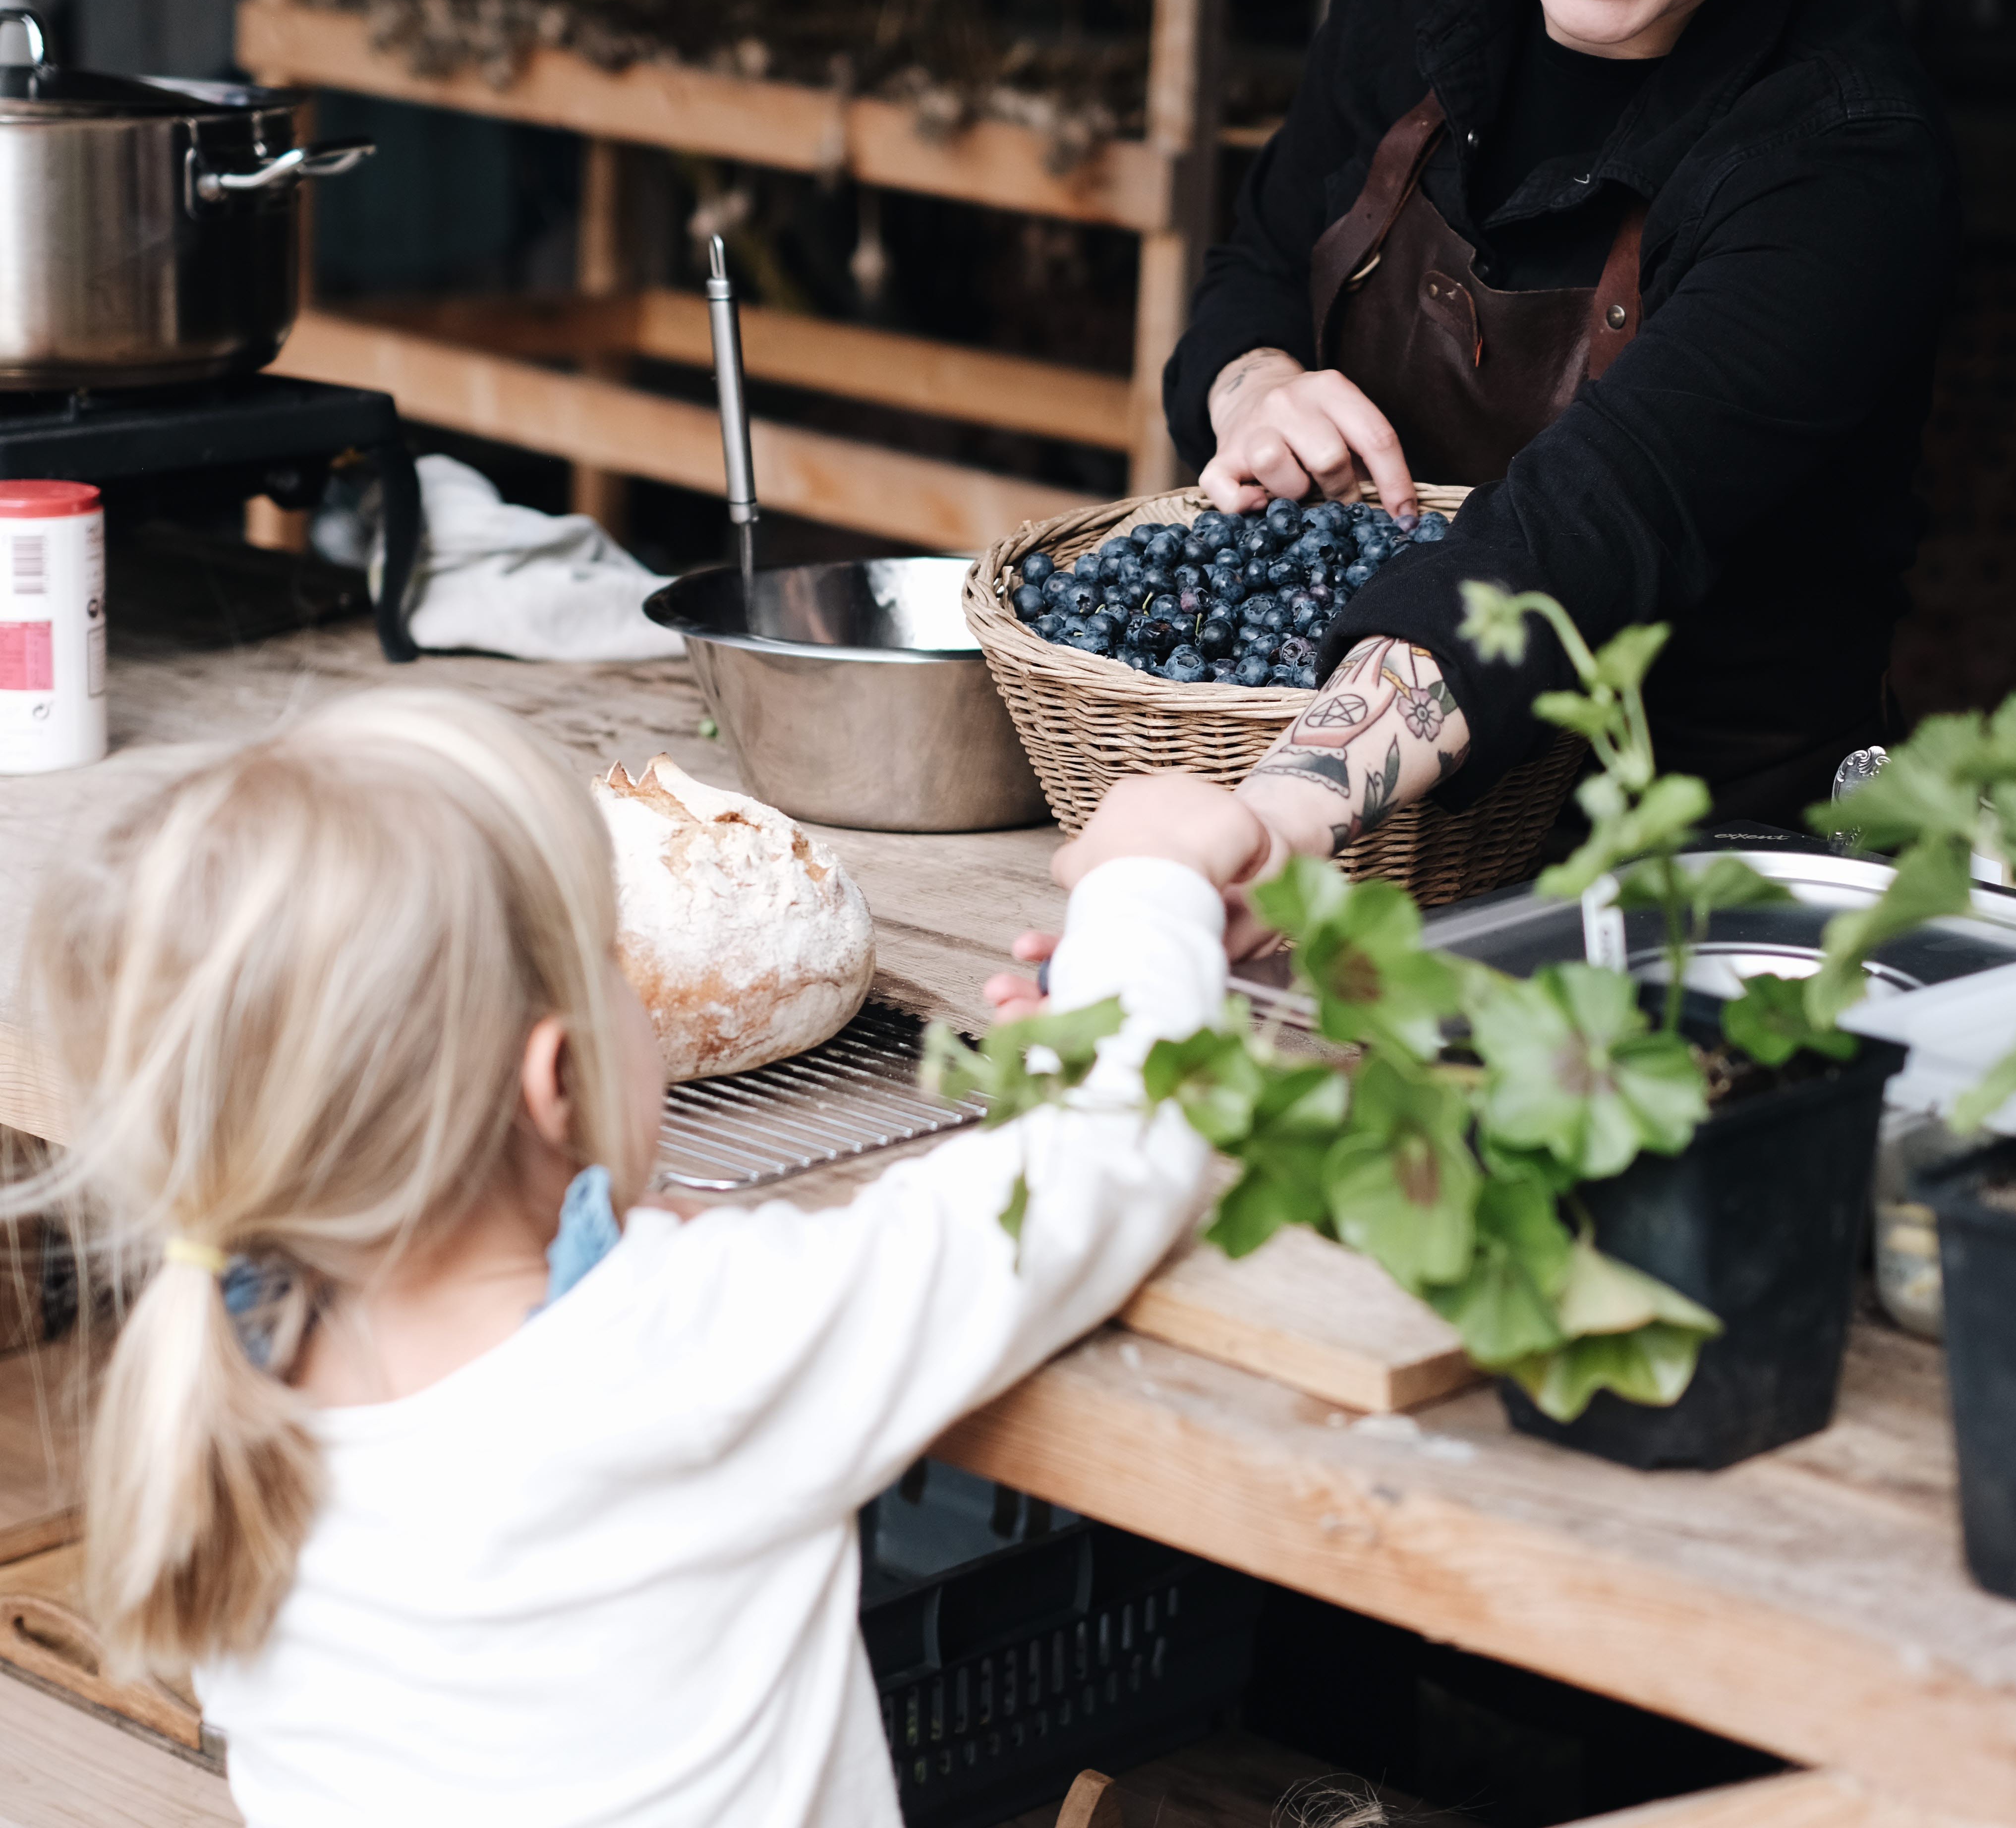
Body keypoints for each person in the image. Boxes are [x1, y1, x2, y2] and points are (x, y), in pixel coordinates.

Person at [11, 694, 1267, 1828]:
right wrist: (1146, 882)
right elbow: (1114, 1161)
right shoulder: (694, 1345)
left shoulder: (215, 1382)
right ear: (557, 1077)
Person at [1159, 0, 1955, 871]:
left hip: (1694, 878)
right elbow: (1259, 268)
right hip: (1378, 836)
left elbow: (1588, 529)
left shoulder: (1843, 153)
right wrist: (1255, 384)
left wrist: (1274, 822)